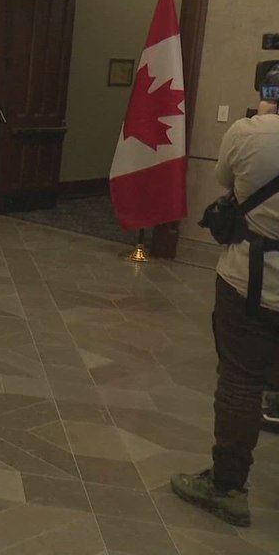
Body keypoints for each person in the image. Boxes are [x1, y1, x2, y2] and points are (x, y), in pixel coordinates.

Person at [172, 66, 279, 526]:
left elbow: (225, 179)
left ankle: (227, 485)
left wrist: (263, 116)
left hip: (251, 279)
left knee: (239, 380)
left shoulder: (249, 133)